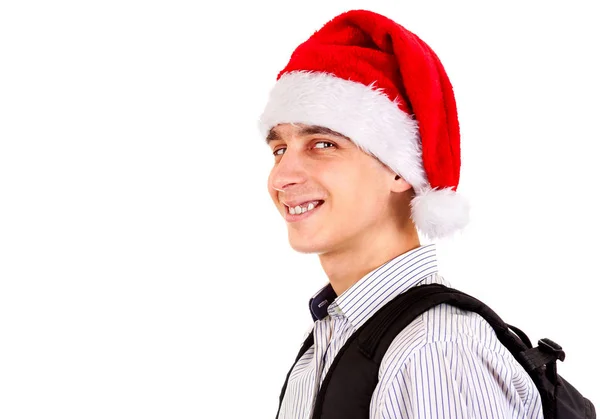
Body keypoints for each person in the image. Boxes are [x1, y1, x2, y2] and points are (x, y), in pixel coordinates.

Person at [258, 9, 543, 419]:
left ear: (399, 170)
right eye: (279, 149)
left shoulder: (433, 350)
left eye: (323, 144)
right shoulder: (332, 334)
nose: (282, 176)